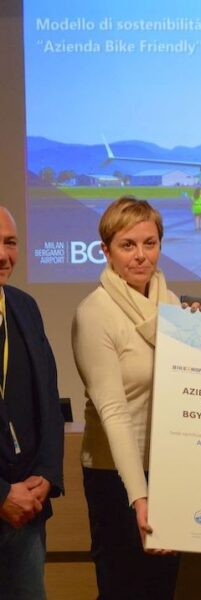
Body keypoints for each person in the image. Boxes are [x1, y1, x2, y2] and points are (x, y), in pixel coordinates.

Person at [72, 196, 201, 600]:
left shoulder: (170, 303)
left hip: (167, 468)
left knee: (161, 587)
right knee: (122, 588)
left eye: (150, 243)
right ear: (106, 251)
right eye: (128, 245)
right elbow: (113, 412)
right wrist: (140, 496)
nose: (141, 256)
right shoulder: (94, 314)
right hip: (116, 477)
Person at [0, 206, 64, 600]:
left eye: (10, 243)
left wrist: (46, 475)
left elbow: (49, 399)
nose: (3, 255)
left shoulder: (24, 307)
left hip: (27, 515)